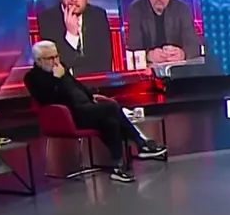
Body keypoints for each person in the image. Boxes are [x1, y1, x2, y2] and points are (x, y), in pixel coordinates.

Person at [24, 40, 166, 183]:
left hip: (87, 108)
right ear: (39, 60)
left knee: (110, 122)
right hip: (70, 115)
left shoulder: (61, 68)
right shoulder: (32, 78)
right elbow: (48, 99)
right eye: (51, 58)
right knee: (112, 108)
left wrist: (91, 96)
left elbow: (76, 85)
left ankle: (118, 168)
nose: (56, 61)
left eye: (57, 56)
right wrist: (57, 79)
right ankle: (141, 144)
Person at [124, 0, 216, 73]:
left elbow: (194, 45)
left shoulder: (182, 9)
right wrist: (149, 55)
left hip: (178, 73)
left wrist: (182, 54)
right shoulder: (136, 9)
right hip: (149, 75)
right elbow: (133, 48)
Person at [36, 0, 114, 76]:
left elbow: (104, 66)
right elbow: (55, 71)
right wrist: (72, 35)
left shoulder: (98, 16)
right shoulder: (47, 19)